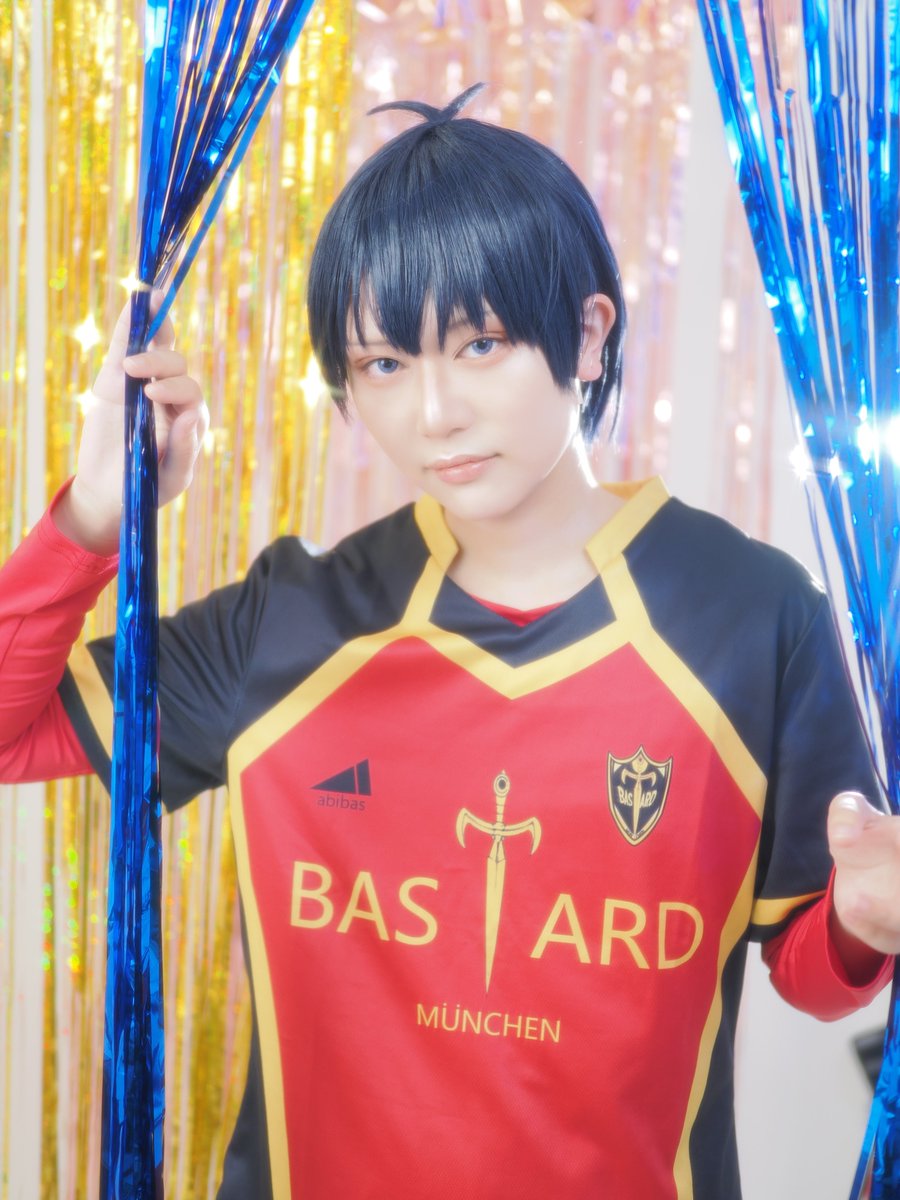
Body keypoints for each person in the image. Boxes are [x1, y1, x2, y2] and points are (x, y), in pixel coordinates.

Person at [1, 84, 898, 1200]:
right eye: (384, 364)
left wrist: (862, 918)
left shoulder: (752, 618)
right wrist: (95, 516)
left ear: (586, 333)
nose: (435, 414)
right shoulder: (292, 623)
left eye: (481, 344)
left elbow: (811, 970)